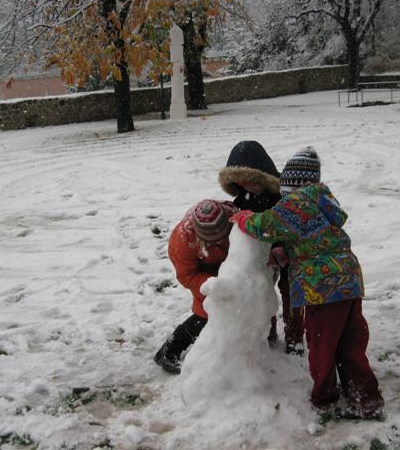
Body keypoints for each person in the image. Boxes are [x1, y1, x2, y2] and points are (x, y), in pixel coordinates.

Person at [230, 147, 384, 419]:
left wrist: (242, 216)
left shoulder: (296, 203)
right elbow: (318, 239)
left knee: (322, 345)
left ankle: (324, 397)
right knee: (351, 342)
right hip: (348, 282)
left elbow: (264, 225)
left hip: (322, 289)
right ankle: (365, 396)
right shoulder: (322, 200)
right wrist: (286, 253)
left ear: (293, 184)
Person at [218, 140, 305, 354]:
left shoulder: (281, 198)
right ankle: (268, 330)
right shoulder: (242, 200)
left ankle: (295, 338)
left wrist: (284, 250)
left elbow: (293, 227)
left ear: (263, 176)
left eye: (252, 180)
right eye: (240, 181)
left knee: (291, 293)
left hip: (288, 253)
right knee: (262, 291)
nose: (247, 186)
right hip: (261, 258)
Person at [154, 199, 237, 374]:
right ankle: (168, 352)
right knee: (205, 309)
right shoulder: (183, 240)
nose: (217, 241)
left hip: (227, 264)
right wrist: (212, 283)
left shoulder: (233, 218)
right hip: (200, 270)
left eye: (221, 237)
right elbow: (187, 276)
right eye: (211, 240)